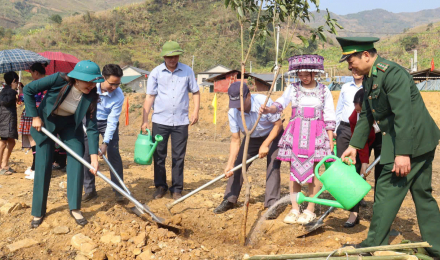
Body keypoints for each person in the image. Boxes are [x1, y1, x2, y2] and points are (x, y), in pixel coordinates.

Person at [338, 37, 440, 257]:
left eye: (351, 59)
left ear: (366, 55)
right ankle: (436, 248)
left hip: (413, 140)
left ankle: (374, 245)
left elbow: (404, 114)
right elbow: (366, 114)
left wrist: (403, 154)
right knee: (422, 194)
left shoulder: (392, 74)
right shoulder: (369, 78)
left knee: (385, 190)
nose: (349, 65)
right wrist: (354, 145)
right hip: (416, 139)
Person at [23, 60, 103, 228]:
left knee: (77, 158)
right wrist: (35, 116)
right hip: (46, 123)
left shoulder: (91, 96)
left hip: (69, 126)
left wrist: (94, 157)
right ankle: (38, 211)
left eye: (94, 82)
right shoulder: (58, 79)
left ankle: (74, 207)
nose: (91, 85)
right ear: (77, 79)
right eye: (88, 81)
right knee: (43, 164)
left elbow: (92, 127)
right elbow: (28, 89)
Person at [260, 55, 336, 225]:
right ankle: (295, 208)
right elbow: (279, 104)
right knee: (294, 172)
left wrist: (330, 139)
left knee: (315, 172)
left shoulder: (324, 91)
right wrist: (268, 109)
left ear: (314, 73)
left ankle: (310, 209)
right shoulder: (292, 89)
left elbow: (330, 114)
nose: (303, 78)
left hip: (316, 135)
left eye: (306, 74)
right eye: (300, 74)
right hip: (296, 134)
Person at [213, 82, 283, 219]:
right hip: (251, 136)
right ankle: (229, 199)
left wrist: (266, 144)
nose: (238, 107)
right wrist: (229, 164)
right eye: (235, 104)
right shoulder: (233, 112)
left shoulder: (263, 102)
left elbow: (278, 125)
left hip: (272, 135)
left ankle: (271, 204)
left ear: (248, 96)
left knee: (273, 166)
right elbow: (235, 139)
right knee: (238, 165)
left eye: (240, 103)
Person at [141, 41, 200, 200]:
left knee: (178, 156)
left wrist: (195, 112)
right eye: (169, 57)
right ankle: (160, 186)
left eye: (175, 56)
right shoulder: (156, 73)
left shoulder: (187, 71)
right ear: (164, 57)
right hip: (160, 120)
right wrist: (145, 120)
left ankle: (177, 189)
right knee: (159, 155)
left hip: (181, 122)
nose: (172, 60)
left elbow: (195, 92)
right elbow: (150, 97)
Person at [82, 64, 125, 203]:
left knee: (114, 155)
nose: (114, 88)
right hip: (89, 121)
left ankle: (119, 190)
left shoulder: (118, 95)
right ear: (103, 78)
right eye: (112, 84)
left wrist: (105, 143)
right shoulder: (91, 87)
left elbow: (113, 121)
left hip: (107, 122)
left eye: (117, 84)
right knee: (87, 155)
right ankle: (90, 190)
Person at [343, 88, 383, 228]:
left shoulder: (383, 112)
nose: (358, 113)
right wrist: (364, 162)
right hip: (365, 140)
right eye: (357, 110)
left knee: (382, 174)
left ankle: (380, 215)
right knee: (357, 171)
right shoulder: (354, 118)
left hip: (382, 138)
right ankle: (354, 213)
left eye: (361, 111)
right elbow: (360, 141)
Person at [18, 63, 46, 180]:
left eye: (31, 73)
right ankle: (35, 167)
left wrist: (21, 93)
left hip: (33, 115)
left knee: (34, 141)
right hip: (42, 114)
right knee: (37, 142)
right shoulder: (49, 83)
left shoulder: (37, 85)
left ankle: (36, 169)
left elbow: (26, 97)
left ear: (36, 72)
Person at [0, 71, 20, 175]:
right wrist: (13, 90)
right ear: (13, 81)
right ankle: (2, 166)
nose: (17, 83)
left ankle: (4, 164)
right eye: (17, 82)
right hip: (6, 118)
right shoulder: (7, 91)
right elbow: (5, 102)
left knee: (11, 142)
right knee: (3, 142)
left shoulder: (6, 90)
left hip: (8, 118)